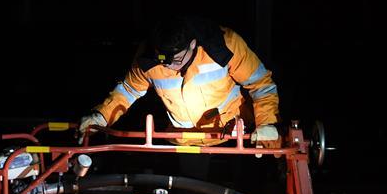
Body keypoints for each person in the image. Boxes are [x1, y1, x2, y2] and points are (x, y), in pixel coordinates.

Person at [78, 15, 280, 148]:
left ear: (192, 44)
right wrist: (100, 117)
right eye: (162, 59)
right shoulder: (149, 57)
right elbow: (129, 90)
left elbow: (261, 84)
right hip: (183, 140)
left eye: (175, 60)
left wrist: (267, 123)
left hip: (233, 136)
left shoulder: (225, 45)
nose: (168, 66)